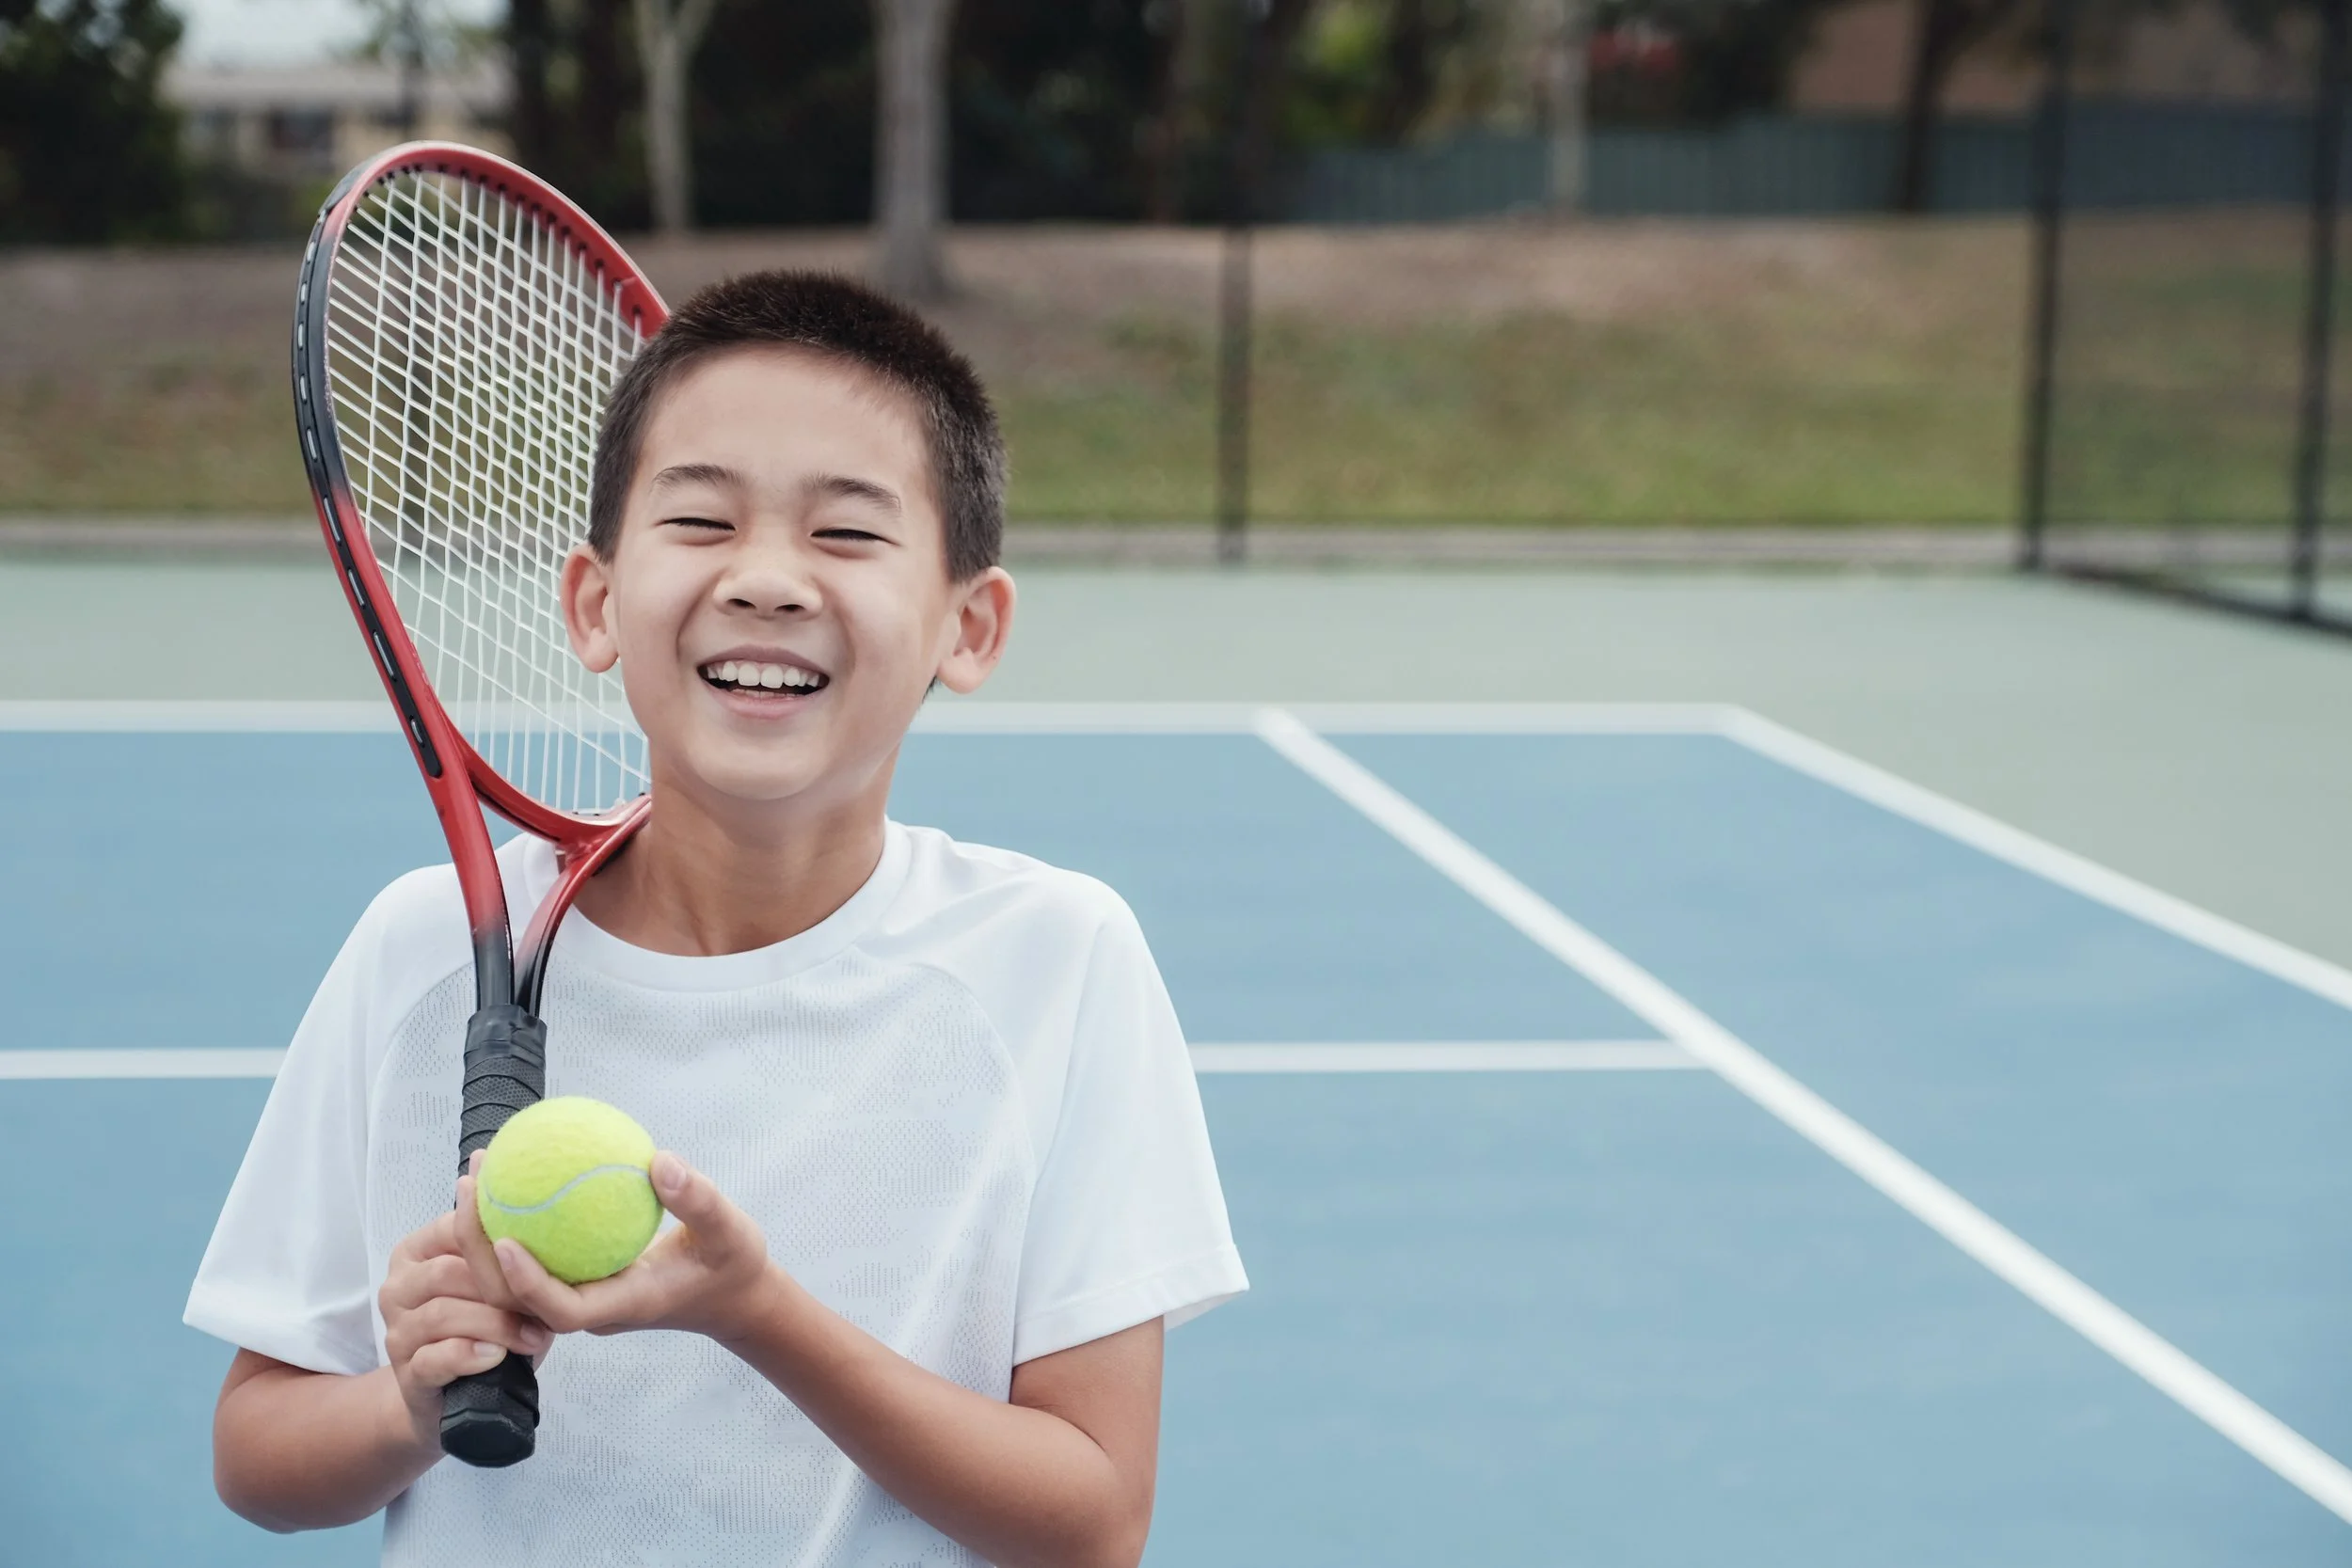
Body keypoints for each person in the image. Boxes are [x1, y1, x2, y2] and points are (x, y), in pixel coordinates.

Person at [184, 271, 1248, 1566]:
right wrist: (409, 1399)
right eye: (700, 519)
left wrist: (759, 1313)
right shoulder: (422, 950)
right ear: (592, 603)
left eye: (847, 534)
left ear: (969, 627)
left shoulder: (1059, 960)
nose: (766, 579)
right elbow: (259, 1455)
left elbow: (1091, 1522)